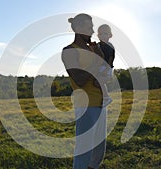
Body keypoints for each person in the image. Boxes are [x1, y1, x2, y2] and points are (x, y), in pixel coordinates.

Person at [61, 13, 107, 169]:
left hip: (101, 103)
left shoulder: (92, 50)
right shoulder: (69, 51)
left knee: (98, 151)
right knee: (84, 151)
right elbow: (79, 79)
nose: (93, 31)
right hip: (86, 105)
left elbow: (104, 74)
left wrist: (99, 59)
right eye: (89, 27)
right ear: (78, 28)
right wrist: (97, 60)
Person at [96, 24, 115, 107]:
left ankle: (106, 97)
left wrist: (106, 70)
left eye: (105, 34)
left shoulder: (109, 46)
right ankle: (103, 97)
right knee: (99, 83)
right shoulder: (98, 45)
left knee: (99, 81)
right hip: (100, 67)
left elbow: (110, 59)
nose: (103, 36)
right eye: (101, 34)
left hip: (106, 67)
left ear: (110, 35)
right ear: (98, 35)